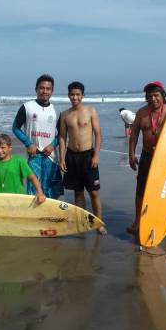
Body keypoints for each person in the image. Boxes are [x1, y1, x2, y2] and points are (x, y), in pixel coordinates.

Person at [59, 82, 107, 235]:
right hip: (72, 156)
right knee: (78, 192)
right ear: (68, 95)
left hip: (88, 156)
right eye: (72, 94)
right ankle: (82, 223)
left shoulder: (90, 111)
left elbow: (98, 134)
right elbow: (62, 137)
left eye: (78, 94)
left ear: (83, 96)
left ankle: (99, 223)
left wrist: (96, 155)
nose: (75, 97)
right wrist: (62, 159)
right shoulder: (65, 115)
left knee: (94, 192)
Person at [127, 82, 166, 237]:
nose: (153, 99)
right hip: (146, 156)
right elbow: (134, 135)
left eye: (156, 95)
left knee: (165, 190)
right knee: (141, 191)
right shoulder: (142, 113)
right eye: (149, 96)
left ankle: (165, 220)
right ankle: (138, 221)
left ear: (162, 95)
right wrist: (131, 155)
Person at [12, 74, 64, 199]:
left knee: (52, 192)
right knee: (33, 192)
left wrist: (52, 145)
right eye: (42, 88)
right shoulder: (27, 107)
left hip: (51, 156)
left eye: (48, 88)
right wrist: (28, 144)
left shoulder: (56, 111)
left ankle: (51, 211)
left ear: (52, 91)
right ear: (36, 89)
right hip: (33, 156)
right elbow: (15, 128)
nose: (44, 91)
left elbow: (61, 134)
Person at [0, 133, 46, 204]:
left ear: (10, 148)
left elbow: (32, 178)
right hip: (0, 202)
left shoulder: (19, 161)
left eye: (3, 148)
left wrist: (40, 192)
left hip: (18, 201)